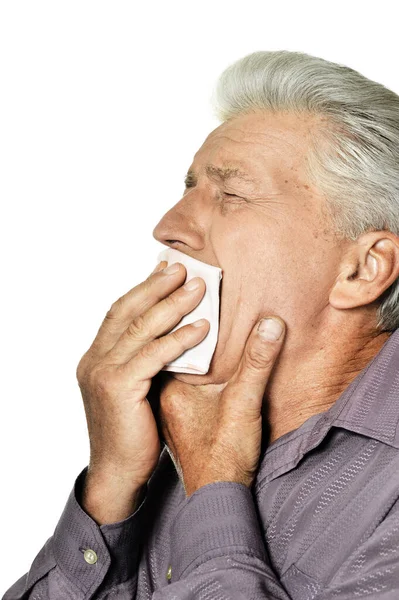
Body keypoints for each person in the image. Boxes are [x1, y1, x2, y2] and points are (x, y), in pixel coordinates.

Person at [3, 49, 399, 600]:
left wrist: (213, 480)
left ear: (362, 268)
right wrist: (112, 485)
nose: (169, 227)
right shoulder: (173, 431)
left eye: (230, 195)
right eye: (188, 189)